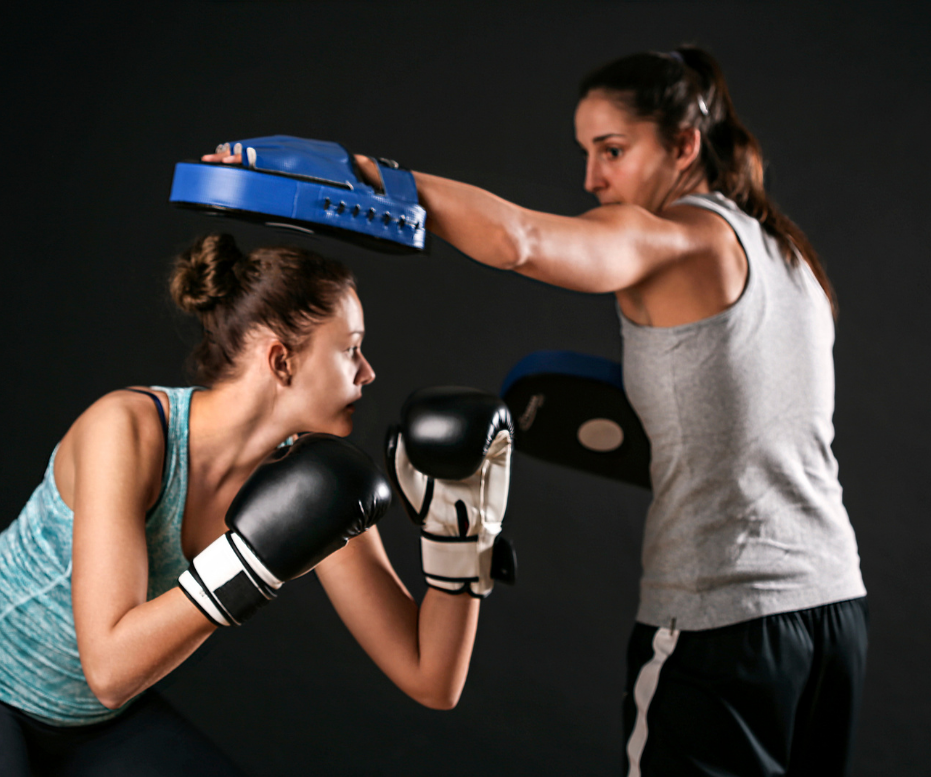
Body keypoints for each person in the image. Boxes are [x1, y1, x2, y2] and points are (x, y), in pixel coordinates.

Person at [208, 45, 869, 776]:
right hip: (834, 611)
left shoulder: (676, 239)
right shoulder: (792, 261)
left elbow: (518, 241)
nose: (592, 177)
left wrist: (351, 177)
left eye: (613, 150)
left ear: (684, 145)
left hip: (722, 617)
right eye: (587, 152)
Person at [0, 233, 513, 776]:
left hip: (93, 721)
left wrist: (457, 539)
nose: (368, 372)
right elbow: (110, 667)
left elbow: (431, 678)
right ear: (281, 359)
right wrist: (250, 564)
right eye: (351, 347)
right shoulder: (128, 429)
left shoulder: (312, 480)